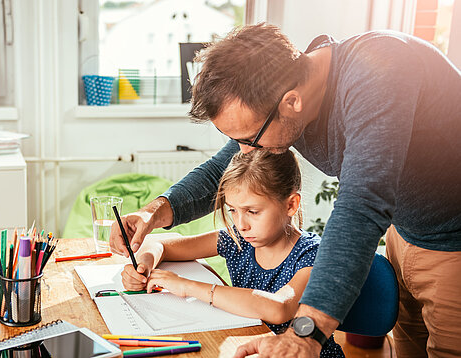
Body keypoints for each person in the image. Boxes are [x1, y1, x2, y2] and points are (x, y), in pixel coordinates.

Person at [110, 23, 461, 358]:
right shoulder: (293, 92)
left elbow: (362, 205)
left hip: (454, 241)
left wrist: (307, 333)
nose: (245, 152)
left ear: (292, 102)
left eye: (249, 139)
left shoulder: (380, 71)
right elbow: (223, 168)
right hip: (408, 230)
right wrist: (153, 212)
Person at [121, 150, 345, 357]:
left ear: (291, 205)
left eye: (252, 211)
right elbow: (160, 243)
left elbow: (279, 308)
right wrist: (144, 264)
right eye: (233, 210)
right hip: (251, 349)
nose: (241, 224)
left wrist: (186, 286)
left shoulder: (312, 253)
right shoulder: (238, 239)